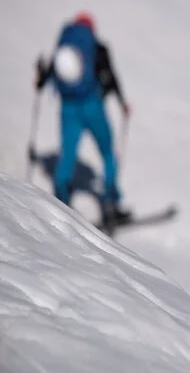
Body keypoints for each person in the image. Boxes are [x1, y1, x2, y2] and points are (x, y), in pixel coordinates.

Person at [35, 12, 131, 223]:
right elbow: (111, 76)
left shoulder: (64, 46)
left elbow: (45, 81)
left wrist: (39, 77)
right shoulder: (97, 48)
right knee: (107, 153)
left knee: (67, 154)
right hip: (91, 105)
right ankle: (109, 203)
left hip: (68, 107)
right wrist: (122, 103)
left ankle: (60, 204)